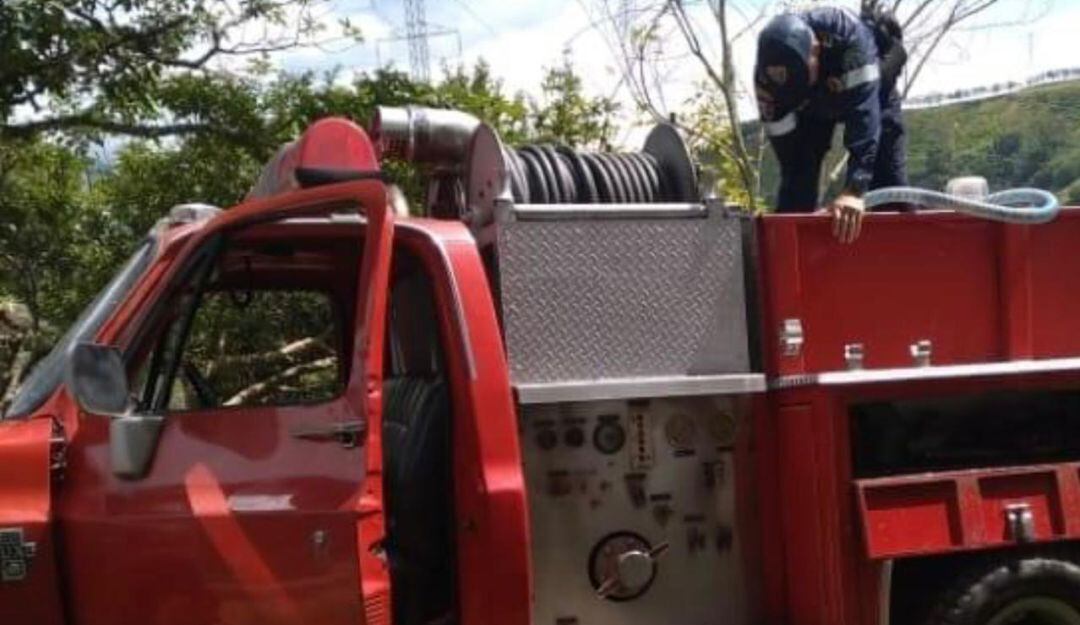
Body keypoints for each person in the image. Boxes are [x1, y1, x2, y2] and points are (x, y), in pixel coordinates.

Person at [754, 6, 907, 243]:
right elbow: (789, 155)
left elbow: (865, 118)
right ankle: (797, 255)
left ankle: (901, 252)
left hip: (871, 94)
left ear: (814, 51)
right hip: (811, 108)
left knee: (887, 180)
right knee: (796, 184)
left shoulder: (847, 35)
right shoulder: (766, 82)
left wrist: (854, 191)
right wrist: (798, 180)